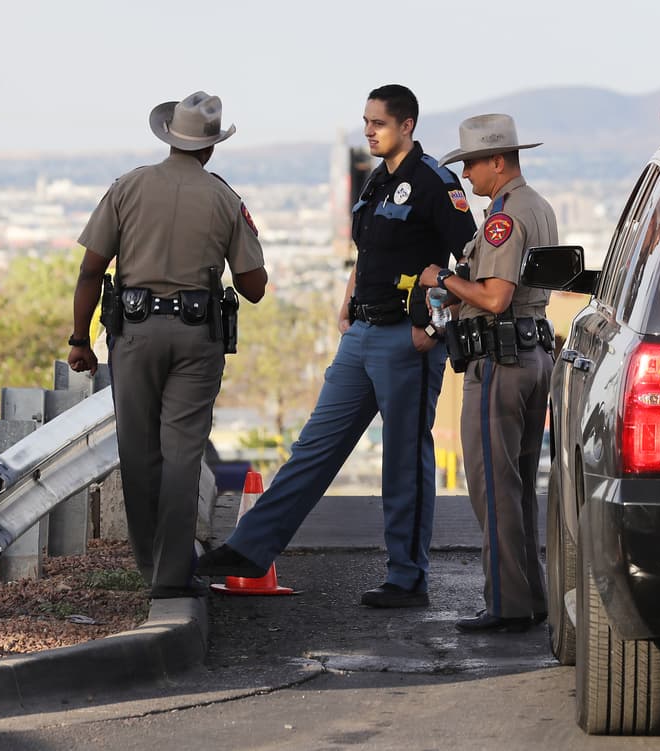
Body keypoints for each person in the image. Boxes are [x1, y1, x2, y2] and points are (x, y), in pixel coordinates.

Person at [198, 84, 477, 608]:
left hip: (407, 341)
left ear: (408, 125)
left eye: (380, 123)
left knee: (403, 460)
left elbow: (472, 263)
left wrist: (436, 328)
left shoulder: (436, 183)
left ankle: (407, 577)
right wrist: (347, 304)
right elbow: (366, 253)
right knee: (314, 448)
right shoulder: (375, 182)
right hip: (363, 335)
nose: (369, 130)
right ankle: (250, 550)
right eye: (366, 121)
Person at [68, 91, 268, 599]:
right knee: (183, 451)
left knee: (138, 451)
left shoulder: (128, 187)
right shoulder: (225, 199)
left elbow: (91, 270)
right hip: (197, 337)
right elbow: (253, 286)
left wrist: (79, 340)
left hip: (132, 334)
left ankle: (148, 563)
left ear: (170, 138)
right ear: (210, 148)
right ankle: (174, 576)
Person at [420, 114, 556, 632]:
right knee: (518, 486)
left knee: (493, 487)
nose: (469, 175)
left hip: (499, 361)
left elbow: (495, 297)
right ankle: (529, 596)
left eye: (473, 164)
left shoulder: (504, 216)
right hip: (532, 352)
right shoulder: (537, 206)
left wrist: (445, 278)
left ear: (498, 161)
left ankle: (505, 604)